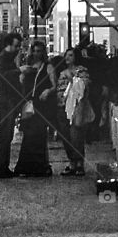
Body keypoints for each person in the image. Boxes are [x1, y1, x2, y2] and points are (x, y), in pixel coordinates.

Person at [13, 39, 56, 177]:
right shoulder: (28, 66)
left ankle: (40, 165)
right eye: (35, 51)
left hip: (41, 105)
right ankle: (27, 166)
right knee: (28, 135)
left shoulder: (48, 67)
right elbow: (20, 82)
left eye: (39, 51)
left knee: (39, 134)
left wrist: (48, 91)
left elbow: (54, 85)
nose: (36, 54)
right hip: (28, 103)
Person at [55, 48, 96, 176]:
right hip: (62, 107)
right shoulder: (61, 72)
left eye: (71, 55)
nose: (67, 58)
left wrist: (72, 79)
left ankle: (79, 162)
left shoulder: (81, 71)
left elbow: (83, 87)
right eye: (66, 55)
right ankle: (72, 162)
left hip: (76, 108)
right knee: (65, 135)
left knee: (76, 136)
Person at [0, 31, 23, 179]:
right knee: (5, 134)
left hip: (9, 101)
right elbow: (3, 75)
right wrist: (19, 71)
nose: (18, 49)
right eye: (16, 46)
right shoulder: (1, 59)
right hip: (5, 101)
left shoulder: (8, 59)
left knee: (7, 134)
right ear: (8, 45)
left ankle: (2, 166)